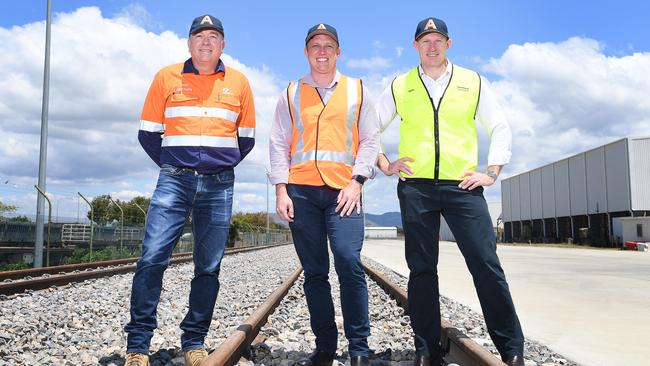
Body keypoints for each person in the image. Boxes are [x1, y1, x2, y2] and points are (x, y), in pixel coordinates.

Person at [375, 17, 525, 366]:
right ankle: (426, 349)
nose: (431, 46)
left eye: (438, 39)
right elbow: (369, 127)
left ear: (448, 44)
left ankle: (511, 349)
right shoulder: (401, 84)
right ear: (415, 46)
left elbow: (500, 125)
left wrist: (492, 171)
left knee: (486, 264)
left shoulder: (472, 82)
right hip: (416, 188)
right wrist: (384, 163)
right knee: (422, 269)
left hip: (463, 186)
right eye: (425, 40)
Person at [124, 14, 256, 366]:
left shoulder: (239, 83)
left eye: (214, 36)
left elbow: (247, 139)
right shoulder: (166, 77)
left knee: (208, 266)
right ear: (189, 42)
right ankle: (138, 347)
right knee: (152, 258)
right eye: (200, 36)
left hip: (219, 184)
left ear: (223, 44)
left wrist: (216, 164)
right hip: (174, 180)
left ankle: (194, 341)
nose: (206, 42)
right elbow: (148, 133)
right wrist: (177, 164)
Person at [269, 23, 379, 366]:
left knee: (348, 261)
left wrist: (357, 181)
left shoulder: (358, 90)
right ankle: (326, 347)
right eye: (315, 46)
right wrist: (281, 190)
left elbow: (370, 140)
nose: (321, 51)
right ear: (306, 52)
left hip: (343, 192)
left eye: (328, 45)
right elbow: (277, 143)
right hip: (301, 193)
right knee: (315, 272)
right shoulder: (290, 92)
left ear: (338, 52)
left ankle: (359, 347)